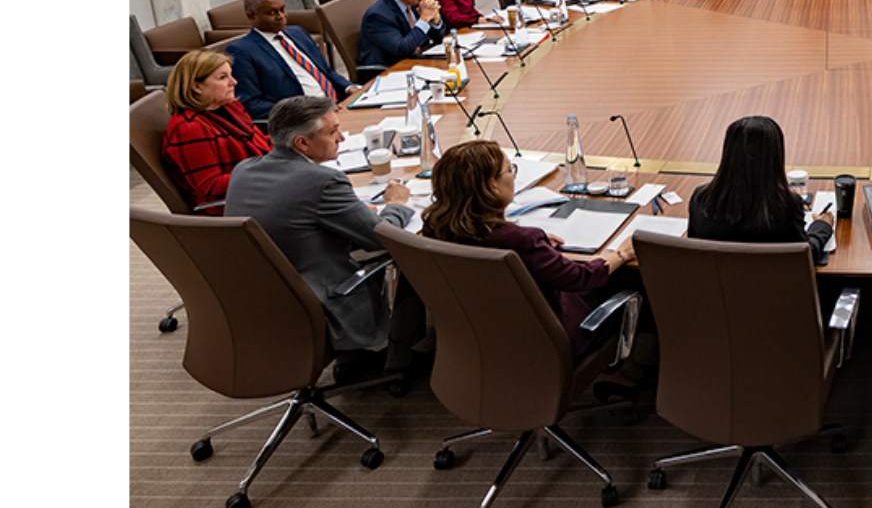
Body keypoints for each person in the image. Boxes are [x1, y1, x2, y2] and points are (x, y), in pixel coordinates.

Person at [225, 95, 421, 383]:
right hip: (316, 300)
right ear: (302, 144)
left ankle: (357, 358)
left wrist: (349, 210)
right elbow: (383, 238)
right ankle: (399, 361)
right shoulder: (323, 182)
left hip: (254, 300)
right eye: (332, 132)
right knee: (413, 259)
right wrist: (396, 205)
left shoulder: (244, 169)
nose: (341, 137)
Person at [421, 139, 634, 359]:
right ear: (492, 185)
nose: (513, 177)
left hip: (477, 337)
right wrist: (621, 254)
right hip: (548, 344)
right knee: (624, 283)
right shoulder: (521, 241)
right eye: (509, 170)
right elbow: (580, 277)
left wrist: (539, 247)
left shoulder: (434, 228)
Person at [686, 116, 832, 263]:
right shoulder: (787, 206)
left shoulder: (700, 198)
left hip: (718, 278)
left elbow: (693, 252)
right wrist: (822, 226)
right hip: (772, 279)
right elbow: (805, 256)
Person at [161, 48, 271, 215]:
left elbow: (261, 144)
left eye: (231, 75)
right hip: (233, 205)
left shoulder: (230, 107)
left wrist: (292, 144)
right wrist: (267, 170)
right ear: (197, 87)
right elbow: (210, 185)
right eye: (222, 77)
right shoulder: (189, 128)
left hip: (260, 188)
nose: (234, 82)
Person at [228, 0, 358, 122]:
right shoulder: (242, 51)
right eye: (272, 13)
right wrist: (304, 110)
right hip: (303, 120)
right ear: (252, 16)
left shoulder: (298, 33)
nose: (281, 16)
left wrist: (349, 88)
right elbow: (250, 103)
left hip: (338, 105)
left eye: (282, 10)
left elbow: (325, 71)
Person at [359, 0, 449, 71]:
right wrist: (424, 19)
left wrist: (435, 20)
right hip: (390, 69)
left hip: (417, 61)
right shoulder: (378, 15)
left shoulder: (413, 3)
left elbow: (439, 39)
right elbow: (403, 49)